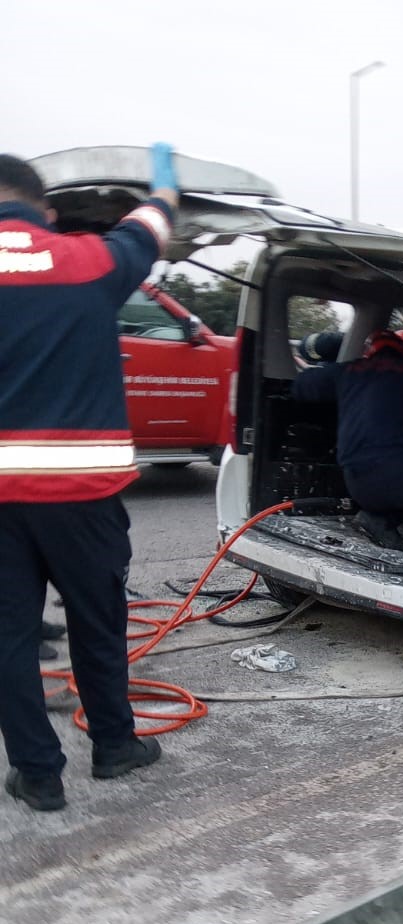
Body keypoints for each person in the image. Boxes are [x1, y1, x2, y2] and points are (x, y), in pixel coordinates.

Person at [0, 146, 180, 813]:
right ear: (43, 210)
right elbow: (150, 229)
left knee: (8, 637)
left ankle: (38, 776)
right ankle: (113, 747)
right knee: (96, 622)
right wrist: (163, 189)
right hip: (83, 497)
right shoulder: (89, 259)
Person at [293, 327, 403, 549]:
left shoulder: (348, 371)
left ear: (369, 352)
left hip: (357, 486)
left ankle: (380, 520)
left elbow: (301, 386)